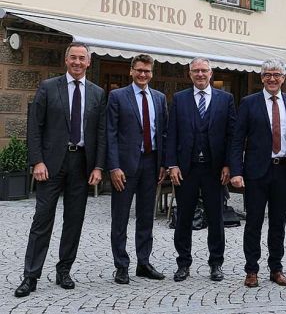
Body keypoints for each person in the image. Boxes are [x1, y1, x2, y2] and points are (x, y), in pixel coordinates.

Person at [15, 42, 107, 298]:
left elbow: (101, 134)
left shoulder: (98, 93)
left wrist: (99, 166)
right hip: (51, 164)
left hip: (82, 165)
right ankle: (30, 276)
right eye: (73, 58)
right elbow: (34, 127)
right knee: (42, 220)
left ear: (88, 62)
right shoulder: (48, 87)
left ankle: (64, 270)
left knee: (74, 222)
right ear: (66, 61)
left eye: (82, 58)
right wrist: (37, 161)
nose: (77, 62)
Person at [230, 59, 286, 288]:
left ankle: (276, 268)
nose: (272, 78)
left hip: (284, 171)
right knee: (253, 223)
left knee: (278, 223)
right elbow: (237, 139)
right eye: (268, 74)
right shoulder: (249, 103)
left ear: (283, 78)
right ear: (261, 78)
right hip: (256, 172)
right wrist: (236, 171)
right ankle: (251, 270)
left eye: (277, 74)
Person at [165, 57, 236, 283]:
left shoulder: (226, 99)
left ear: (211, 73)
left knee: (216, 218)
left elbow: (231, 135)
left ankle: (216, 263)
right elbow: (171, 133)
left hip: (215, 170)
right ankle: (183, 263)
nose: (200, 74)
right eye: (196, 71)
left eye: (204, 70)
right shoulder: (179, 99)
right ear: (190, 74)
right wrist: (172, 164)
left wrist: (228, 164)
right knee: (184, 217)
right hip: (187, 169)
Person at [106, 54, 168, 284]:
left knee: (146, 217)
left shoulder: (160, 98)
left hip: (151, 164)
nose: (143, 74)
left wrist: (164, 163)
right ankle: (121, 265)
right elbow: (110, 133)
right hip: (124, 166)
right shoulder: (117, 96)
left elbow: (163, 133)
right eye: (139, 70)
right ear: (131, 71)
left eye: (147, 71)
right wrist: (113, 166)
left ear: (152, 73)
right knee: (120, 218)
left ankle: (144, 262)